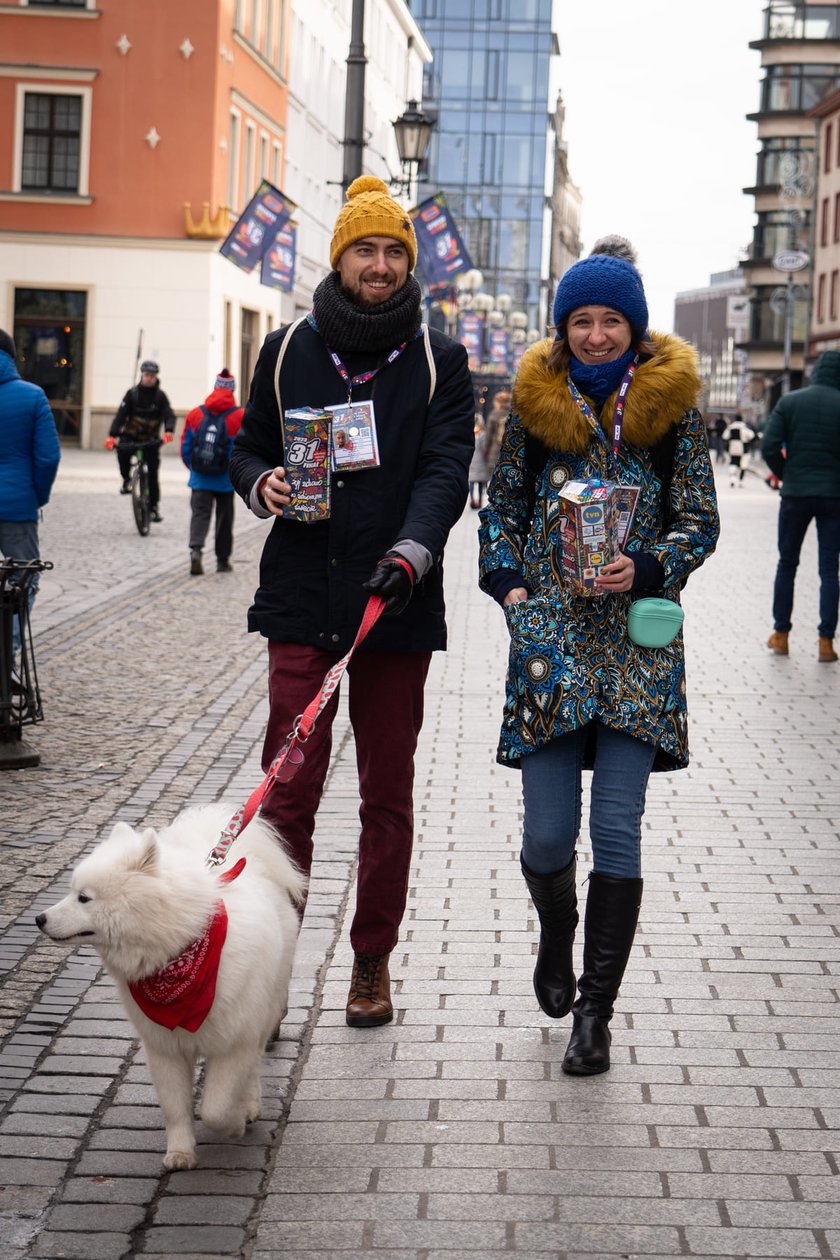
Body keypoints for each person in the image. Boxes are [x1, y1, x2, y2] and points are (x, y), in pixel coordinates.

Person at [230, 175, 475, 1029]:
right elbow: (247, 445)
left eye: (394, 250)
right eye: (366, 249)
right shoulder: (291, 346)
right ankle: (266, 978)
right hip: (302, 596)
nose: (380, 264)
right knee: (288, 791)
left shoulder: (441, 356)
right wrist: (261, 482)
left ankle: (371, 961)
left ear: (410, 262)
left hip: (393, 605)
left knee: (386, 794)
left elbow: (447, 467)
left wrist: (413, 549)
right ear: (341, 257)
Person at [478, 237, 719, 1076]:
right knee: (547, 839)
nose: (595, 334)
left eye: (610, 319)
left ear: (635, 326)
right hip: (549, 645)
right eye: (580, 320)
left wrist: (651, 564)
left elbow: (701, 519)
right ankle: (556, 929)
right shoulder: (535, 413)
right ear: (562, 327)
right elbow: (498, 513)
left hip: (636, 649)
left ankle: (595, 1011)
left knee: (617, 828)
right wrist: (510, 590)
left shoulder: (671, 415)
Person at [762, 350, 840, 664]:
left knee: (787, 563)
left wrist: (786, 477)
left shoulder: (790, 402)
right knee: (829, 571)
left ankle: (781, 635)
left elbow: (769, 445)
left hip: (795, 495)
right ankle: (825, 642)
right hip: (834, 497)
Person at [0, 329, 61, 653]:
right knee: (24, 578)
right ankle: (7, 654)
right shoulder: (32, 395)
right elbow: (48, 456)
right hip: (17, 507)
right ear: (11, 357)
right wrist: (36, 495)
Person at [180, 368, 243, 575]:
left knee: (200, 515)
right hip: (225, 480)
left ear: (215, 387)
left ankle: (196, 551)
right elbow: (241, 451)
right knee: (224, 519)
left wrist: (195, 469)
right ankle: (222, 561)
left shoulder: (195, 414)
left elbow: (185, 447)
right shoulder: (238, 416)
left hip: (200, 479)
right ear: (232, 389)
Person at [105, 360, 175, 522]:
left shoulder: (160, 396)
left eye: (152, 376)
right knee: (122, 451)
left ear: (156, 377)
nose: (149, 378)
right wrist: (112, 435)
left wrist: (169, 431)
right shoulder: (132, 394)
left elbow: (169, 415)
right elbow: (120, 415)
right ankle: (126, 480)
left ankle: (154, 507)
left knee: (152, 474)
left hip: (151, 440)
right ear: (142, 375)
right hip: (131, 437)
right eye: (146, 375)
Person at [722, 413, 755, 488]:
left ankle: (732, 479)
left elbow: (724, 436)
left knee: (733, 462)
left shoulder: (730, 427)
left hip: (733, 447)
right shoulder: (744, 427)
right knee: (743, 464)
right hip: (743, 448)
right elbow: (751, 435)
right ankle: (740, 481)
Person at [468, 413, 491, 509]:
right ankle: (480, 501)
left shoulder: (469, 432)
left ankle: (472, 499)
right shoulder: (483, 434)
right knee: (481, 482)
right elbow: (486, 447)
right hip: (481, 461)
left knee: (472, 481)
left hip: (472, 461)